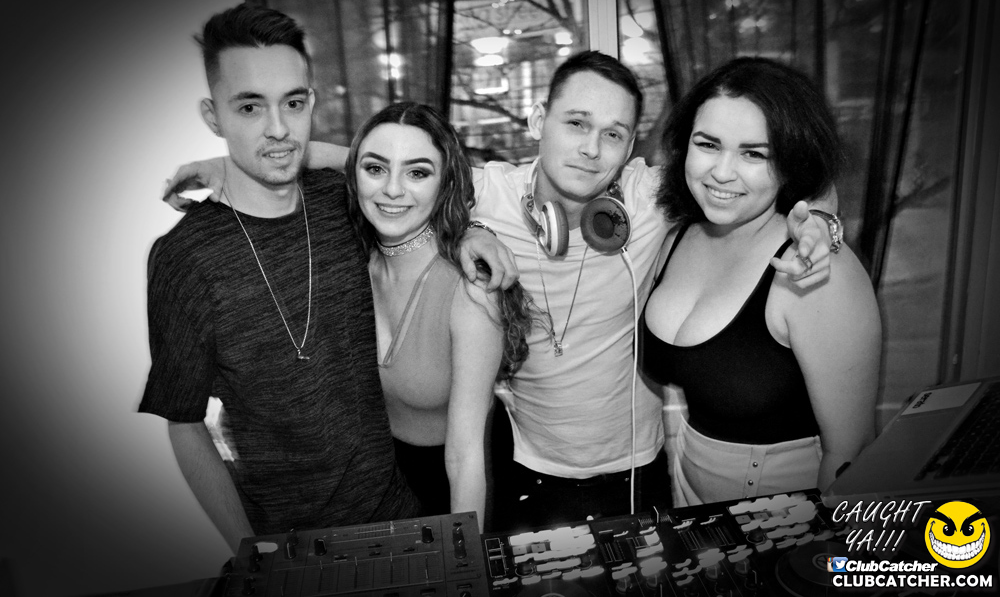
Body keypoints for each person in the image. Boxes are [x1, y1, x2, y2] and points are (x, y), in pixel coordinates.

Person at [163, 51, 837, 530]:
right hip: (526, 468)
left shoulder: (651, 196)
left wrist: (821, 222)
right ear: (539, 119)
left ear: (631, 143)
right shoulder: (487, 192)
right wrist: (233, 164)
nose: (591, 148)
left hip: (637, 469)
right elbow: (366, 159)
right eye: (575, 123)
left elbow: (777, 173)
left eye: (612, 134)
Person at [140, 4, 510, 552]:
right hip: (286, 543)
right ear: (214, 117)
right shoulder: (183, 259)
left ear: (311, 102)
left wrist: (474, 230)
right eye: (249, 107)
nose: (277, 128)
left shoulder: (344, 205)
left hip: (399, 513)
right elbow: (184, 424)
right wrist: (250, 555)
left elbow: (397, 176)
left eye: (293, 103)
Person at [642, 57, 880, 506]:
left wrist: (824, 545)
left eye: (754, 153)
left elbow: (851, 452)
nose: (722, 172)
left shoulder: (813, 266)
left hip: (790, 518)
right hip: (691, 504)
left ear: (789, 162)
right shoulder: (676, 236)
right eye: (707, 144)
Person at [344, 101, 535, 528]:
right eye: (375, 169)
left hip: (463, 481)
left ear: (445, 183)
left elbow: (465, 456)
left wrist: (464, 555)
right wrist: (222, 167)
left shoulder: (470, 290)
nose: (392, 190)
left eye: (417, 173)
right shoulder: (352, 264)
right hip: (385, 480)